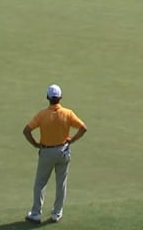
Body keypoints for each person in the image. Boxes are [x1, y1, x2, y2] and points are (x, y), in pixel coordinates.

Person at [22, 84, 87, 224]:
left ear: (48, 98)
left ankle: (36, 214)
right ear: (60, 98)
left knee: (40, 183)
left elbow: (26, 131)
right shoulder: (68, 113)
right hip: (63, 151)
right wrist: (72, 140)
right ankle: (56, 214)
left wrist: (35, 144)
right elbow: (83, 128)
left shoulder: (42, 114)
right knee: (61, 184)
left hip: (46, 151)